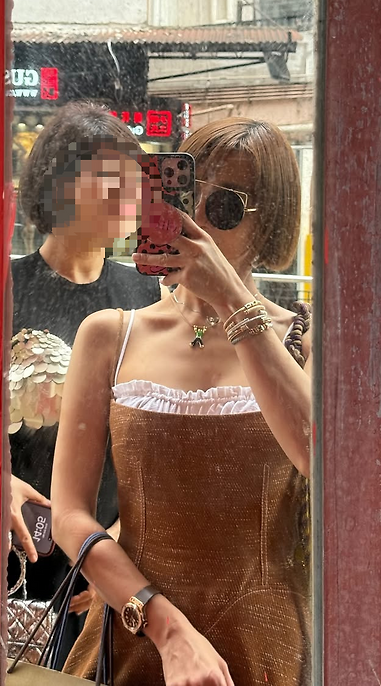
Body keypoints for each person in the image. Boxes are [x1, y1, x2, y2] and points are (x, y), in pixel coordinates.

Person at [51, 117, 312, 686]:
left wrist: (232, 302)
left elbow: (322, 459)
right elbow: (69, 515)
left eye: (224, 207)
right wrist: (165, 627)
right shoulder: (110, 335)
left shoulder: (306, 342)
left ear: (268, 224)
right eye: (182, 196)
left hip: (264, 644)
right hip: (133, 636)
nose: (195, 222)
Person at [7, 101, 163, 668]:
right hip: (14, 556)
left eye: (134, 178)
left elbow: (155, 439)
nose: (129, 193)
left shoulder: (147, 294)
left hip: (109, 556)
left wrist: (113, 551)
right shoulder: (5, 288)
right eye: (108, 176)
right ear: (61, 184)